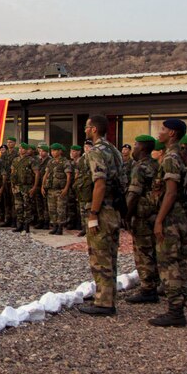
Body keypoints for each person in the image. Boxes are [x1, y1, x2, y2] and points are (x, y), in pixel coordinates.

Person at [76, 115, 124, 316]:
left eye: (87, 127)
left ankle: (104, 303)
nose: (85, 130)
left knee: (100, 257)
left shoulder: (96, 151)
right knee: (110, 256)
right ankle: (108, 297)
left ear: (94, 129)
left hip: (102, 210)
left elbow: (100, 183)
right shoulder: (114, 150)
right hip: (113, 209)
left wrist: (93, 213)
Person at [146, 119, 187, 327]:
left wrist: (159, 220)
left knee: (169, 263)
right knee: (179, 263)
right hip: (180, 216)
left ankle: (175, 311)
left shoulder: (171, 157)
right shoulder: (181, 155)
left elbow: (171, 192)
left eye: (163, 129)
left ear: (172, 133)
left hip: (171, 218)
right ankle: (178, 306)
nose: (160, 132)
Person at [124, 135, 160, 304]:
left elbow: (134, 194)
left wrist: (126, 214)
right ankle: (157, 282)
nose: (134, 148)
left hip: (142, 216)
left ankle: (148, 289)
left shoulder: (139, 167)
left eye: (136, 145)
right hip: (155, 213)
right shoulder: (156, 165)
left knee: (143, 252)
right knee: (154, 250)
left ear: (143, 148)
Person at [43, 143, 74, 235]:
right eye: (52, 151)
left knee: (60, 209)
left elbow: (68, 176)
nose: (53, 152)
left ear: (60, 151)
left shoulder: (65, 162)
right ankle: (55, 226)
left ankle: (60, 227)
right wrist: (42, 186)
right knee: (52, 209)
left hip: (60, 190)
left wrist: (66, 188)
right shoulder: (50, 162)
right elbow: (46, 174)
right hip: (51, 189)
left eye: (55, 150)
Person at [10, 143, 35, 233]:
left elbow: (36, 173)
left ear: (27, 150)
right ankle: (19, 225)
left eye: (23, 148)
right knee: (18, 206)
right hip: (17, 186)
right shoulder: (15, 160)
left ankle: (26, 226)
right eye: (20, 148)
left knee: (27, 206)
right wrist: (12, 185)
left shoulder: (31, 160)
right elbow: (12, 172)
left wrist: (34, 187)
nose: (21, 150)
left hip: (26, 186)